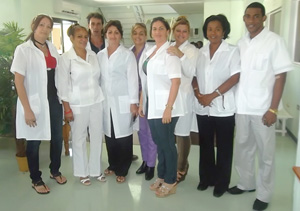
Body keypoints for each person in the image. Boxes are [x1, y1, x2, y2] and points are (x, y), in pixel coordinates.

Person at [227, 2, 293, 210]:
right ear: (244, 19)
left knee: (266, 154)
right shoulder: (241, 43)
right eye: (248, 16)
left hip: (264, 108)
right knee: (243, 150)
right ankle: (246, 183)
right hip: (243, 106)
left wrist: (273, 109)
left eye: (256, 16)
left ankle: (264, 194)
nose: (251, 21)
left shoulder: (275, 41)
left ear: (264, 18)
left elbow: (281, 76)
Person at [11, 14, 67, 194]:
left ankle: (55, 171)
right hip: (34, 103)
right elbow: (18, 82)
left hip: (53, 100)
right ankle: (36, 179)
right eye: (41, 25)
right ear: (33, 26)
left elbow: (58, 75)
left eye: (48, 26)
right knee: (34, 142)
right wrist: (27, 110)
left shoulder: (52, 47)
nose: (44, 28)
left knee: (57, 138)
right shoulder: (23, 49)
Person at [192, 14, 240, 198]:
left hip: (224, 108)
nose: (213, 32)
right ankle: (206, 179)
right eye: (210, 29)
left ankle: (221, 182)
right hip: (203, 107)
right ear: (206, 31)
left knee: (224, 147)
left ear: (224, 31)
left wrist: (212, 95)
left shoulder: (232, 51)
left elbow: (235, 77)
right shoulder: (201, 52)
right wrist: (197, 93)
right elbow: (194, 76)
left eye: (217, 29)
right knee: (205, 145)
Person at [139, 17, 184, 197]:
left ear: (167, 31)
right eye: (154, 28)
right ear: (151, 32)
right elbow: (146, 80)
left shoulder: (170, 52)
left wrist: (168, 108)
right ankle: (162, 175)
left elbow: (176, 81)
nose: (157, 31)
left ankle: (171, 180)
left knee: (167, 144)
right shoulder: (150, 52)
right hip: (152, 105)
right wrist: (143, 101)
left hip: (166, 105)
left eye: (161, 28)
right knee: (159, 142)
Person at [56, 24, 105, 186]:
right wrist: (67, 108)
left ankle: (95, 170)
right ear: (71, 38)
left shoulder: (92, 55)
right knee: (79, 138)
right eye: (79, 36)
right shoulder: (65, 59)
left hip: (96, 101)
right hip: (77, 104)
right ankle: (82, 172)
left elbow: (97, 78)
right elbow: (61, 86)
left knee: (97, 136)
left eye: (86, 36)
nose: (83, 39)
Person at [97, 20, 139, 184]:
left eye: (116, 32)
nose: (113, 35)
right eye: (110, 32)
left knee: (124, 136)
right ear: (105, 35)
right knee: (109, 134)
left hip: (124, 100)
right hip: (106, 101)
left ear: (120, 35)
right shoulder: (100, 55)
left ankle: (123, 168)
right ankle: (113, 164)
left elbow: (133, 80)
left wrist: (133, 102)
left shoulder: (127, 55)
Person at [166, 16, 198, 184]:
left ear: (189, 33)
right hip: (171, 97)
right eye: (178, 31)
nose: (181, 34)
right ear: (173, 31)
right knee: (170, 134)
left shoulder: (191, 50)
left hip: (184, 97)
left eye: (184, 31)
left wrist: (181, 55)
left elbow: (191, 72)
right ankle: (173, 165)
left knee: (183, 134)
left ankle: (181, 168)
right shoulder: (168, 47)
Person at [130, 23, 157, 180]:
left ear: (146, 35)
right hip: (135, 97)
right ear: (132, 35)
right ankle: (145, 160)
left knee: (150, 132)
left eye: (141, 33)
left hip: (148, 97)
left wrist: (141, 98)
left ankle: (152, 165)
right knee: (141, 133)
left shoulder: (150, 52)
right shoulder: (129, 52)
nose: (138, 36)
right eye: (135, 33)